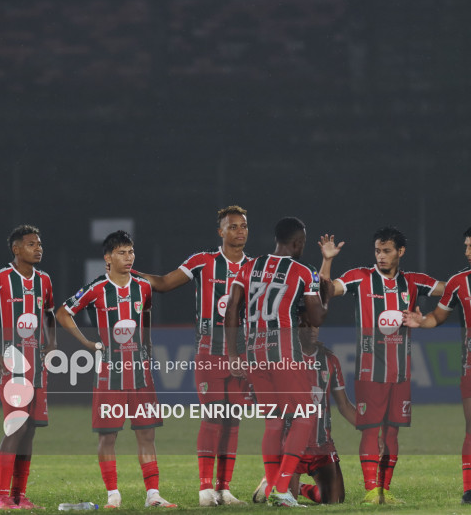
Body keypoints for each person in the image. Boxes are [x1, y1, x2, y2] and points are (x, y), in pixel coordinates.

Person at [320, 227, 444, 504]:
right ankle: (370, 490)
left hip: (401, 371)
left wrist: (426, 319)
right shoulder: (360, 278)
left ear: (400, 252)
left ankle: (385, 490)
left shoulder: (414, 282)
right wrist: (328, 260)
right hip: (369, 370)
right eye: (377, 250)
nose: (381, 256)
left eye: (387, 251)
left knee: (392, 431)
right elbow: (326, 291)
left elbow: (453, 290)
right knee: (371, 429)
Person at [137, 205, 250, 506]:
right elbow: (162, 284)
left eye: (244, 226)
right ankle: (204, 490)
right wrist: (130, 273)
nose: (240, 231)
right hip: (209, 353)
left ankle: (224, 489)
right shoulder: (203, 262)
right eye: (234, 226)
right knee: (213, 417)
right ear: (221, 231)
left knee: (232, 420)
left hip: (240, 356)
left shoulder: (256, 268)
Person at [56, 230, 177, 509]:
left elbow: (145, 314)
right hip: (109, 372)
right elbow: (63, 313)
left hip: (140, 372)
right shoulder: (97, 288)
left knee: (147, 433)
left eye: (131, 251)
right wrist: (87, 342)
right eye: (122, 252)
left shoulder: (143, 287)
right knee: (108, 435)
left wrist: (146, 347)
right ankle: (113, 495)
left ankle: (153, 495)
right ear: (107, 258)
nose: (128, 257)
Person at [225, 217, 332, 508]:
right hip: (284, 350)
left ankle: (273, 484)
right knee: (306, 414)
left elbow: (232, 308)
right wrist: (326, 291)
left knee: (273, 419)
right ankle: (283, 489)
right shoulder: (302, 271)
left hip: (253, 350)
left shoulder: (249, 266)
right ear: (298, 243)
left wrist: (233, 355)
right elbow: (317, 317)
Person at [0, 225, 56, 510]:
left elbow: (50, 314)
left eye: (39, 244)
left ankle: (19, 495)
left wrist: (52, 343)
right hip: (12, 366)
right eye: (31, 244)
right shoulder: (0, 278)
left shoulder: (44, 280)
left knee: (30, 430)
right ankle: (0, 496)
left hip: (37, 367)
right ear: (16, 249)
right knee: (16, 427)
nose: (38, 248)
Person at [254, 307, 355, 505]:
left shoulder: (329, 359)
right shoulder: (283, 358)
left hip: (322, 446)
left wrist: (370, 431)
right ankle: (276, 482)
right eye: (305, 325)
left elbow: (344, 405)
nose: (311, 329)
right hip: (291, 446)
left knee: (335, 500)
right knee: (282, 501)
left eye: (314, 325)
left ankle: (297, 488)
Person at [403, 226, 471, 504]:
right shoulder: (458, 282)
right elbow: (437, 317)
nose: (467, 252)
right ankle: (469, 488)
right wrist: (421, 321)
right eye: (466, 246)